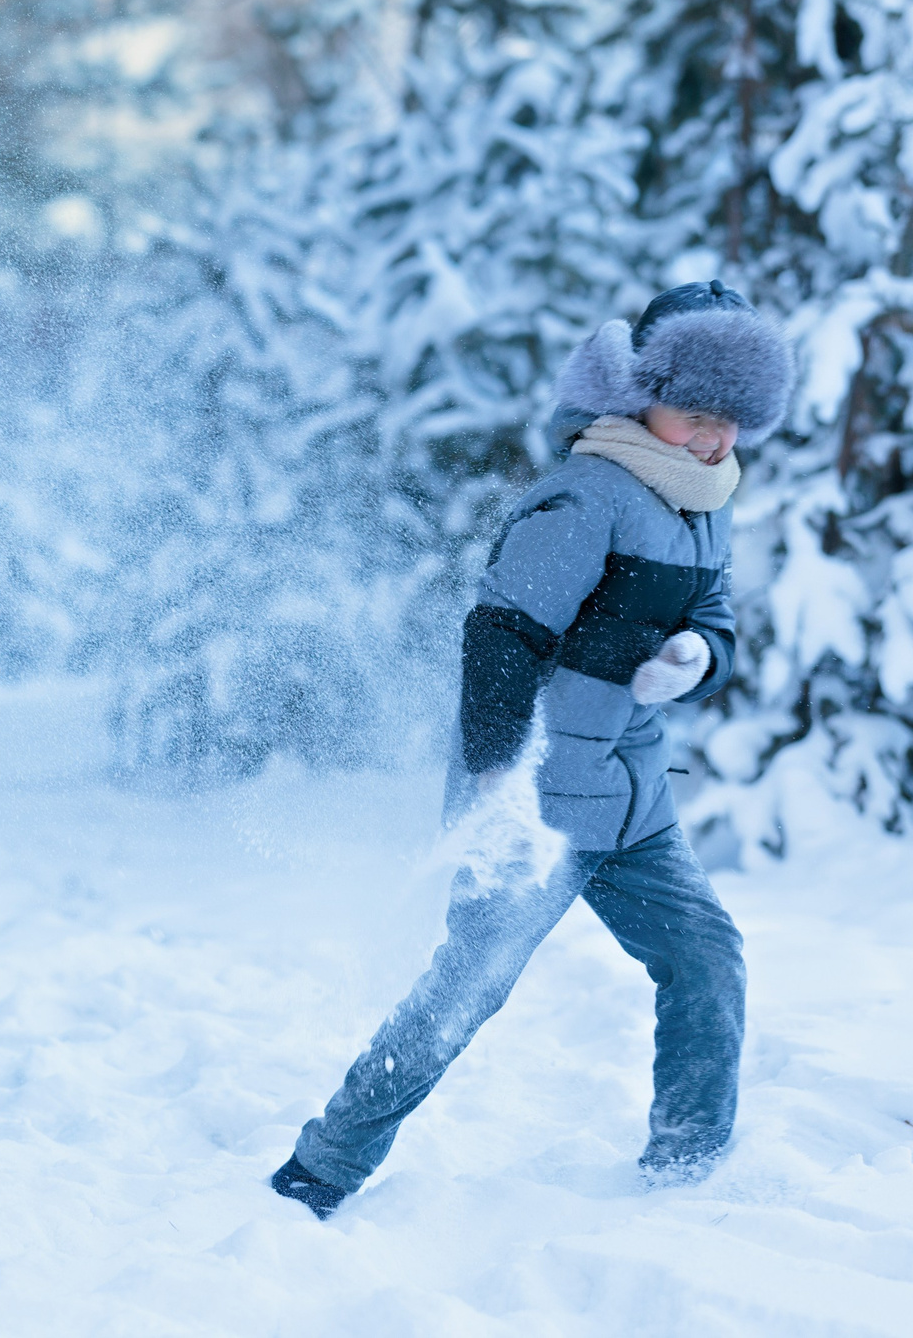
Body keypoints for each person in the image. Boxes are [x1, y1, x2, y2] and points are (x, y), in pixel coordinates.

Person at [271, 282, 794, 1217]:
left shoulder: (705, 500)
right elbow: (500, 640)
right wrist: (497, 785)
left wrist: (699, 655)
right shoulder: (583, 497)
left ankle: (686, 1171)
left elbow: (715, 616)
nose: (715, 441)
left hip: (633, 800)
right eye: (696, 416)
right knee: (466, 993)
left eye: (734, 423)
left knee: (708, 958)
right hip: (538, 803)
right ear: (640, 398)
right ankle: (322, 1165)